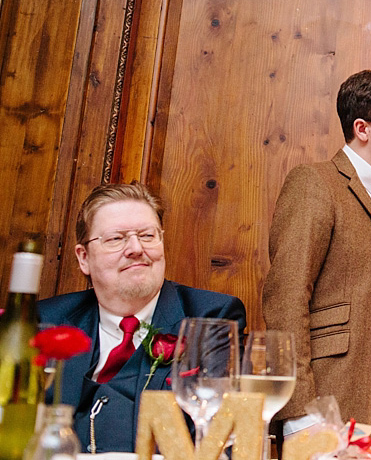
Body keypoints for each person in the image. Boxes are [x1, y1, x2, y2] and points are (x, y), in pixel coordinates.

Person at [263, 69, 371, 437]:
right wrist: (301, 411)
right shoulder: (315, 182)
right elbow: (286, 295)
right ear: (363, 128)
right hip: (328, 394)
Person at [36, 182, 247, 453]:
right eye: (115, 238)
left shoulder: (210, 317)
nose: (136, 248)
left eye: (147, 236)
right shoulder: (47, 321)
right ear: (84, 257)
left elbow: (218, 441)